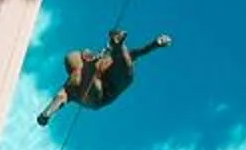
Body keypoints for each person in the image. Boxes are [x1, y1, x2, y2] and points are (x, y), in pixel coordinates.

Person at [38, 27, 171, 125]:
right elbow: (61, 97)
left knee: (118, 68)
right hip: (96, 93)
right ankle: (117, 46)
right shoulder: (74, 77)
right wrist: (47, 114)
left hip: (107, 89)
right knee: (93, 79)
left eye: (88, 55)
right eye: (86, 56)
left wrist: (155, 44)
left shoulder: (101, 62)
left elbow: (137, 53)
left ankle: (118, 46)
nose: (89, 55)